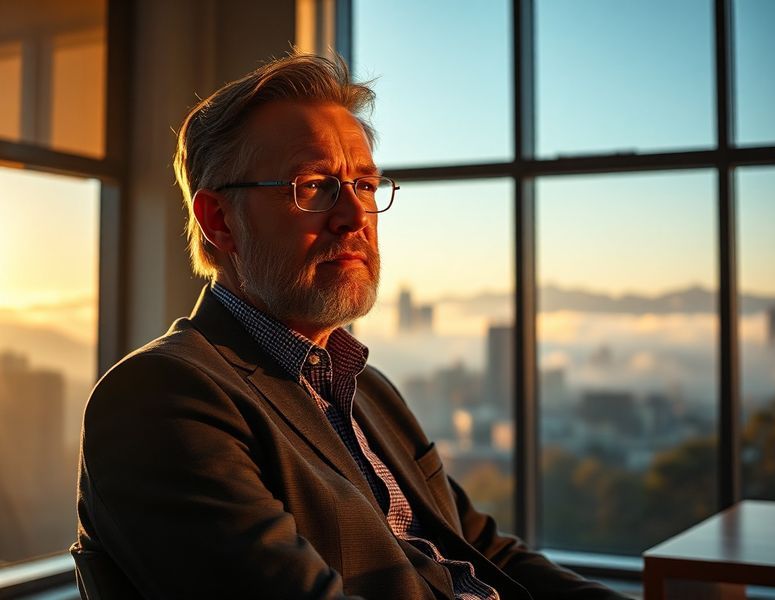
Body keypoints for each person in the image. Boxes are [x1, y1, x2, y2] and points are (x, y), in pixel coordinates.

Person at [74, 51, 630, 599]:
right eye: (314, 185)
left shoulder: (369, 389)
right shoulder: (161, 396)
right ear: (219, 220)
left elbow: (486, 552)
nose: (355, 217)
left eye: (364, 185)